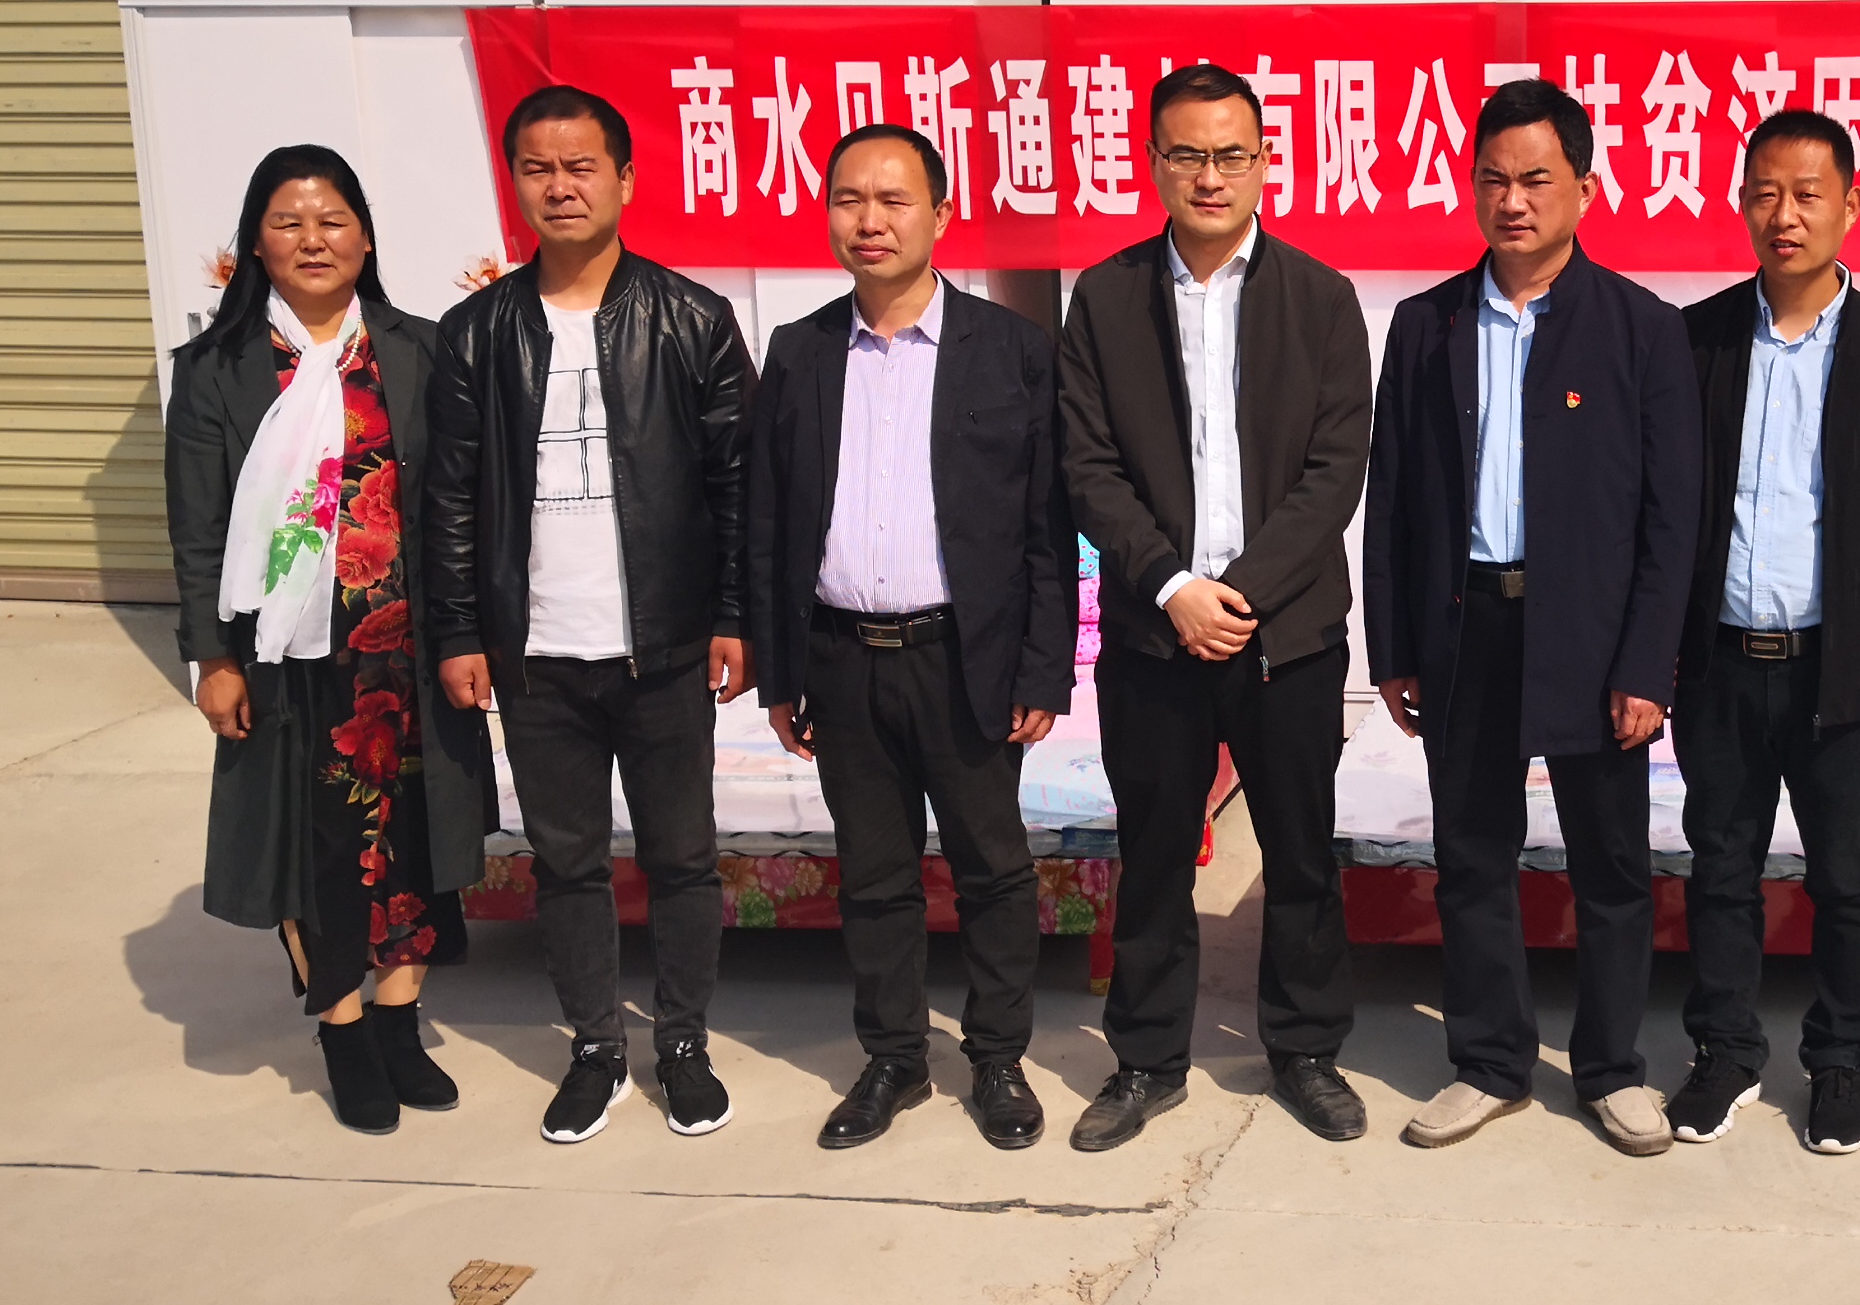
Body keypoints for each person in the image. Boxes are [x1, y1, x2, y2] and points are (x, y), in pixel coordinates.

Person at [1365, 79, 1701, 1157]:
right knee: (1472, 853)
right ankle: (1490, 1063)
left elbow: (1672, 518)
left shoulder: (1642, 330)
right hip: (1467, 625)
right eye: (1494, 179)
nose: (1513, 201)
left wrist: (1648, 662)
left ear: (1585, 190)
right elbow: (1394, 495)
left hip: (1594, 640)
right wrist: (1395, 646)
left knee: (1610, 865)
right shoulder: (1426, 326)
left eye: (1537, 179)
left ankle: (1611, 1070)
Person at [422, 86, 757, 1146]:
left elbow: (737, 484)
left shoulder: (692, 319)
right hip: (536, 654)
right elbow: (451, 497)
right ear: (515, 183)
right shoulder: (476, 334)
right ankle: (597, 1050)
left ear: (624, 179)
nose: (560, 187)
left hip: (663, 648)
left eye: (580, 167)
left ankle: (684, 1045)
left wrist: (733, 613)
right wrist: (461, 630)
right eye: (538, 168)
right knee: (565, 862)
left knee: (682, 857)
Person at [1058, 64, 1374, 1150]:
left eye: (1231, 154)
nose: (1210, 175)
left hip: (1287, 635)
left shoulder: (1320, 297)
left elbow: (1335, 468)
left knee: (1300, 852)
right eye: (1187, 154)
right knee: (1152, 855)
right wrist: (1173, 587)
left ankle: (1306, 1051)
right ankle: (1147, 1061)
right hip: (1155, 634)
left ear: (1265, 162)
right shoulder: (1105, 298)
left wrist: (1239, 593)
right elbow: (1088, 465)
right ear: (1152, 163)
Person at [747, 123, 1076, 1152]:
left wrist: (1043, 669)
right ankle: (893, 1057)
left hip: (965, 658)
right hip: (843, 659)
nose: (871, 220)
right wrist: (779, 670)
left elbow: (1045, 526)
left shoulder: (1012, 350)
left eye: (894, 200)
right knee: (875, 875)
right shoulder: (799, 351)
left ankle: (998, 1058)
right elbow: (770, 521)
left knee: (993, 870)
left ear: (940, 214)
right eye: (850, 199)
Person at [164, 144, 496, 1135]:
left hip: (409, 654)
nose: (312, 240)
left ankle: (401, 1021)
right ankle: (344, 1031)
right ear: (255, 244)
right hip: (287, 661)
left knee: (413, 841)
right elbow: (197, 528)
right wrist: (212, 657)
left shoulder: (419, 351)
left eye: (332, 221)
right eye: (288, 223)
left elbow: (461, 505)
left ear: (365, 238)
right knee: (311, 848)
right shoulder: (218, 371)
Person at [1664, 111, 1860, 1155]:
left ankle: (1840, 1063)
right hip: (1720, 664)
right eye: (1764, 194)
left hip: (1843, 672)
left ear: (1851, 204)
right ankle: (1726, 1053)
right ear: (1741, 204)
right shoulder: (1693, 343)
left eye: (1807, 194)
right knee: (1721, 866)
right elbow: (1662, 515)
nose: (1783, 216)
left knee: (1846, 872)